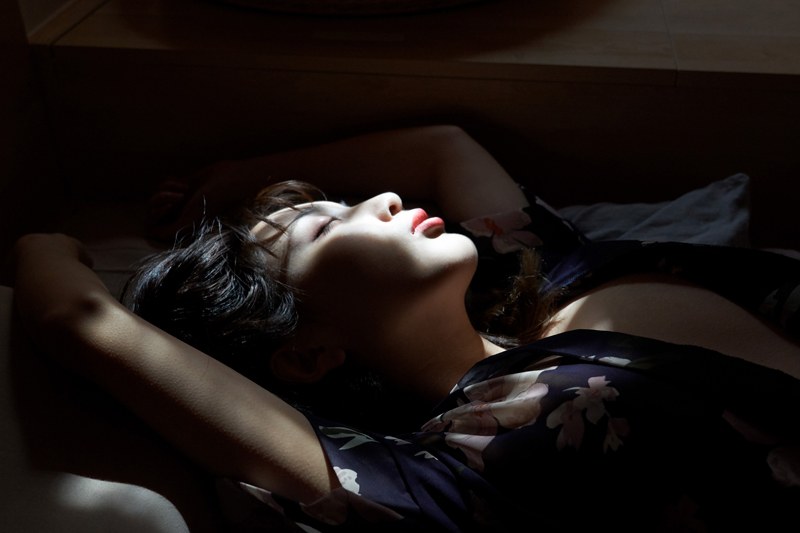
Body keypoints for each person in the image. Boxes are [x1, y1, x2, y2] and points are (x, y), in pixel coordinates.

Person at [11, 125, 800, 532]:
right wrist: (45, 240)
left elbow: (439, 144)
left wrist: (230, 182)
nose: (383, 197)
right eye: (326, 226)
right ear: (307, 351)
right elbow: (79, 319)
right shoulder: (449, 469)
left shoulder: (530, 266)